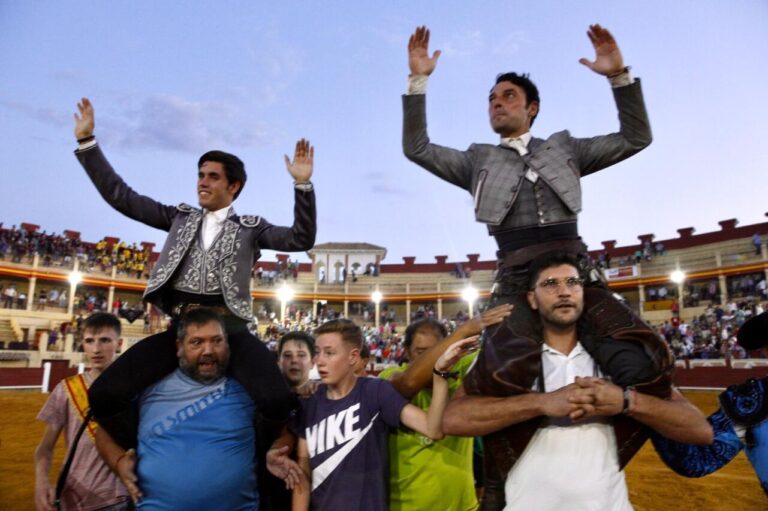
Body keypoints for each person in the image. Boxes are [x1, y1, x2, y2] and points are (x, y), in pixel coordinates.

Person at [402, 24, 673, 501]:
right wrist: (418, 82)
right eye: (491, 99)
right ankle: (496, 484)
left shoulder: (565, 148)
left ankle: (611, 455)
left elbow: (636, 138)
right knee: (498, 381)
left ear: (532, 108)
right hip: (516, 279)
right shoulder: (477, 159)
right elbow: (417, 148)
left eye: (508, 96)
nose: (496, 103)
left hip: (576, 271)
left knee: (639, 362)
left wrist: (619, 78)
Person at [72, 97, 315, 448]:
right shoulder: (178, 217)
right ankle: (143, 454)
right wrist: (87, 143)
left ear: (234, 187)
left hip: (231, 330)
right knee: (105, 394)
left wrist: (302, 187)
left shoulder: (251, 227)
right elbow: (121, 197)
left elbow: (300, 237)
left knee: (277, 400)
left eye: (213, 177)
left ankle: (257, 456)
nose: (202, 182)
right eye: (200, 175)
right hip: (181, 330)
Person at [442, 252, 712, 510]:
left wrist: (626, 401)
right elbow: (452, 418)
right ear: (532, 299)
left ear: (583, 292)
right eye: (550, 284)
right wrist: (542, 404)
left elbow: (700, 430)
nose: (564, 291)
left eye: (572, 282)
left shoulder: (618, 360)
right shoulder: (508, 358)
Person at [268, 319, 479, 511]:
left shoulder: (375, 392)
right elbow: (302, 473)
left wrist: (440, 374)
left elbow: (432, 429)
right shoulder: (309, 402)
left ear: (353, 357)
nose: (320, 361)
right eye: (318, 352)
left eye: (329, 353)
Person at [94, 308, 261, 509]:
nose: (208, 350)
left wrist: (277, 448)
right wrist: (118, 461)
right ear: (179, 347)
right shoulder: (148, 391)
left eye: (216, 341)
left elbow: (284, 430)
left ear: (227, 345)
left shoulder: (248, 392)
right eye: (197, 342)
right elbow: (103, 433)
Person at [652, 310, 768, 496]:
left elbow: (696, 460)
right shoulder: (751, 403)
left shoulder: (751, 403)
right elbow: (696, 459)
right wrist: (654, 396)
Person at [35, 312, 130, 511]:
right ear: (82, 344)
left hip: (120, 497)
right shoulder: (66, 389)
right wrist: (42, 481)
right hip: (74, 497)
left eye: (105, 340)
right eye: (89, 341)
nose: (96, 349)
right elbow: (45, 447)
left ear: (119, 343)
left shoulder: (132, 389)